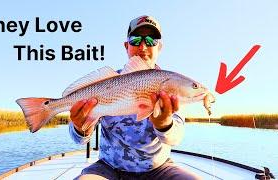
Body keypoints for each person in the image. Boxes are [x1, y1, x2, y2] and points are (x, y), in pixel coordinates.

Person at [69, 15, 201, 180]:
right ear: (126, 46)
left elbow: (175, 138)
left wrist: (164, 124)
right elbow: (78, 140)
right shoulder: (105, 82)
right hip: (109, 167)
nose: (143, 46)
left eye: (151, 40)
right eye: (136, 39)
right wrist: (80, 126)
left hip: (158, 169)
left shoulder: (171, 83)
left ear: (159, 46)